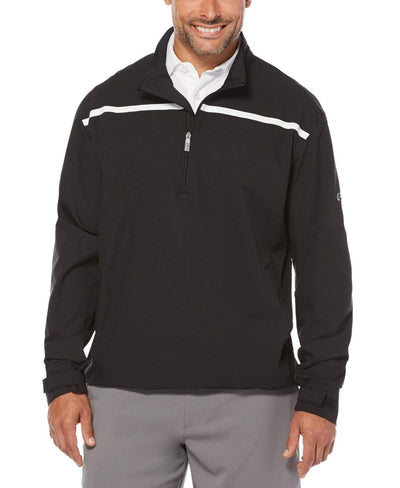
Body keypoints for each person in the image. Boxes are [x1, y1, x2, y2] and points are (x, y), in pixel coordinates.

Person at [42, 1, 353, 486]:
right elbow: (78, 251)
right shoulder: (104, 110)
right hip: (121, 396)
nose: (210, 10)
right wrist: (62, 377)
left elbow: (322, 259)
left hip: (256, 400)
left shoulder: (294, 113)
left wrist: (321, 394)